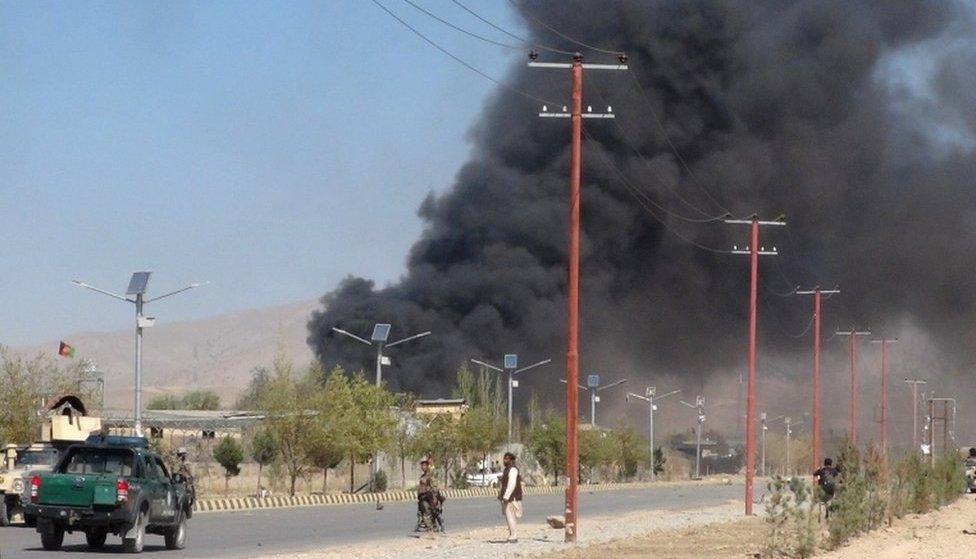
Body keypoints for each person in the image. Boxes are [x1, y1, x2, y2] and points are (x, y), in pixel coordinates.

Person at [498, 452, 523, 543]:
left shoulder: (513, 470)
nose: (505, 460)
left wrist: (506, 496)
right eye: (504, 459)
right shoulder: (507, 470)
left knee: (511, 517)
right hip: (508, 497)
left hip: (512, 498)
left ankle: (513, 536)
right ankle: (512, 535)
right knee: (509, 516)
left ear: (511, 460)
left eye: (507, 459)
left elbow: (512, 484)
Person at [415, 459, 440, 532]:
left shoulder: (430, 475)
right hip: (422, 498)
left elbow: (434, 486)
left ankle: (431, 529)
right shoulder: (423, 476)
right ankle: (431, 527)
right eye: (422, 465)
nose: (422, 467)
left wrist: (433, 496)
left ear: (428, 466)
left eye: (424, 465)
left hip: (428, 498)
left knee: (427, 514)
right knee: (421, 514)